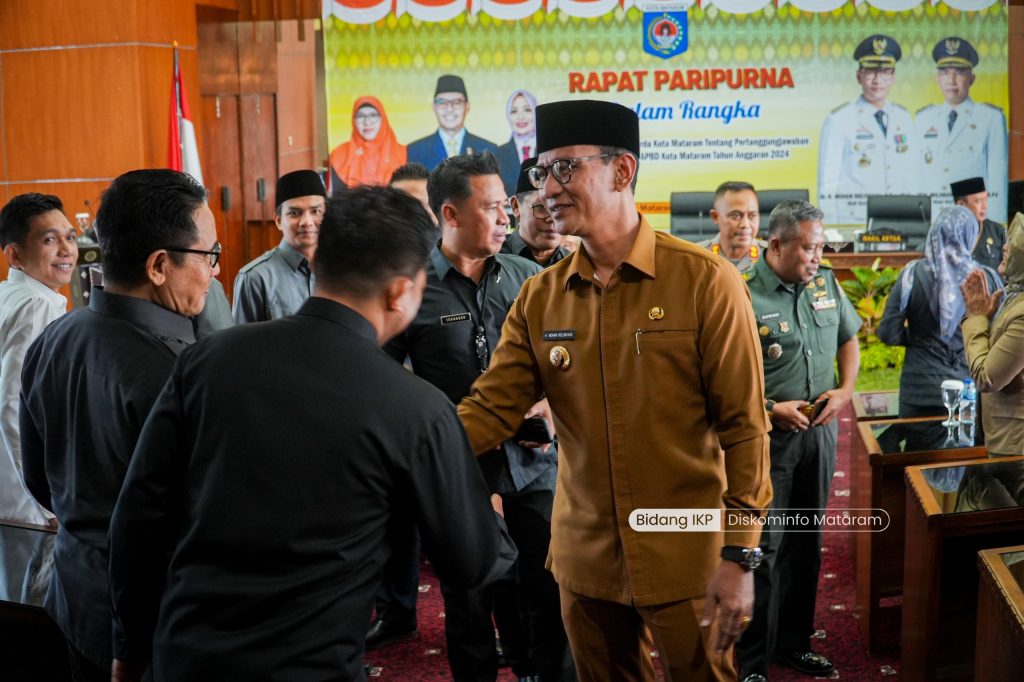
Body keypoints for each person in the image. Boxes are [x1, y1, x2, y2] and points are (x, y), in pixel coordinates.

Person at [107, 186, 516, 682]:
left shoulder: (208, 359)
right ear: (401, 292)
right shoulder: (417, 407)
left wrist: (129, 651)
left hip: (186, 655)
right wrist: (489, 513)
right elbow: (472, 562)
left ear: (318, 262)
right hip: (311, 665)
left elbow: (139, 517)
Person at [457, 99, 773, 681]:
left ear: (622, 171)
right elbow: (490, 409)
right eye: (541, 172)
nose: (548, 189)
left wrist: (740, 552)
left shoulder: (704, 281)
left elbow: (746, 429)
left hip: (686, 555)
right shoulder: (541, 297)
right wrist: (402, 453)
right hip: (586, 560)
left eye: (565, 168)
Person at [19, 169, 217, 681]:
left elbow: (38, 478)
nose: (215, 272)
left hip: (73, 597)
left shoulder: (54, 338)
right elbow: (198, 519)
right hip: (155, 622)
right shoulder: (181, 376)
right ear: (159, 265)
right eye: (208, 256)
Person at [386, 152, 573, 681]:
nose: (505, 218)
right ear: (449, 214)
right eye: (491, 208)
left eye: (505, 206)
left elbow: (567, 359)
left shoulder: (529, 277)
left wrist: (550, 402)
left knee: (550, 584)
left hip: (535, 461)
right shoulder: (409, 286)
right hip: (458, 467)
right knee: (470, 596)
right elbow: (386, 380)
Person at [735, 201, 861, 681]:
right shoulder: (742, 292)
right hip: (769, 441)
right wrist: (770, 409)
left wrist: (846, 391)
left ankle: (794, 643)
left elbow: (848, 338)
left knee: (807, 543)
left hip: (820, 436)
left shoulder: (825, 283)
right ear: (776, 245)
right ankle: (752, 661)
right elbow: (723, 375)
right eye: (809, 248)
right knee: (764, 548)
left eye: (820, 246)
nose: (817, 256)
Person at [878, 205, 1001, 418]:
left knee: (916, 441)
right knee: (967, 441)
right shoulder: (986, 279)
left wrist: (918, 339)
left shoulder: (911, 275)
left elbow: (888, 332)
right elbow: (1000, 334)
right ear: (971, 236)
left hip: (920, 391)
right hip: (971, 390)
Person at [0, 193, 77, 526]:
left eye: (70, 237)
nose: (66, 249)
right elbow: (14, 405)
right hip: (24, 502)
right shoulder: (37, 304)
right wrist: (46, 501)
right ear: (15, 255)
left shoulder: (9, 292)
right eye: (49, 240)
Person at [818, 34, 914, 226]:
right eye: (871, 71)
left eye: (884, 72)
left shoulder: (903, 118)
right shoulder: (839, 120)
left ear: (893, 77)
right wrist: (832, 231)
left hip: (899, 220)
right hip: (855, 224)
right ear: (859, 76)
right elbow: (827, 185)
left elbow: (912, 176)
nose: (877, 79)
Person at [916, 37, 1008, 222]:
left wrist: (993, 229)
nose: (951, 80)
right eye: (944, 72)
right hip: (931, 220)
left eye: (959, 72)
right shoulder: (923, 119)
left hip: (971, 221)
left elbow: (997, 180)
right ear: (937, 78)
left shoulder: (991, 118)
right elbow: (916, 177)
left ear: (971, 78)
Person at [961, 212, 1024, 456]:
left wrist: (976, 318)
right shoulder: (1014, 299)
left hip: (1014, 448)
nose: (1005, 247)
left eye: (1015, 242)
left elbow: (987, 377)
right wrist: (987, 319)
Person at [232, 170, 326, 323]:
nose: (307, 222)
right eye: (295, 213)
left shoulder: (342, 271)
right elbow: (242, 338)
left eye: (316, 211)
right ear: (278, 221)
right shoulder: (255, 278)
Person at [406, 75, 498, 173]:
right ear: (434, 106)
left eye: (457, 102)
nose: (449, 109)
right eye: (442, 102)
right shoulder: (415, 151)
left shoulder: (487, 150)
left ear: (467, 106)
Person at [328, 95, 407, 190]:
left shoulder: (403, 153)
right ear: (353, 120)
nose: (367, 122)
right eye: (360, 116)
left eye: (373, 115)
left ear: (383, 118)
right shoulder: (339, 154)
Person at [503, 157, 569, 268]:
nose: (552, 218)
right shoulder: (491, 261)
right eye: (541, 207)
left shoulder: (576, 265)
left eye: (560, 207)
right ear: (516, 206)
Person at [696, 181, 767, 272]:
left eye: (752, 215)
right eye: (736, 216)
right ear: (715, 216)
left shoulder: (771, 256)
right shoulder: (697, 256)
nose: (745, 224)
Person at [952, 176, 1006, 271]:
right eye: (978, 201)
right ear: (961, 205)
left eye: (985, 200)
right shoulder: (947, 234)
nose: (984, 206)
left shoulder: (997, 231)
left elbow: (1008, 270)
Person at [496, 90, 538, 196]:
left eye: (527, 110)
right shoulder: (498, 154)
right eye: (514, 111)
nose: (520, 117)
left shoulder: (547, 150)